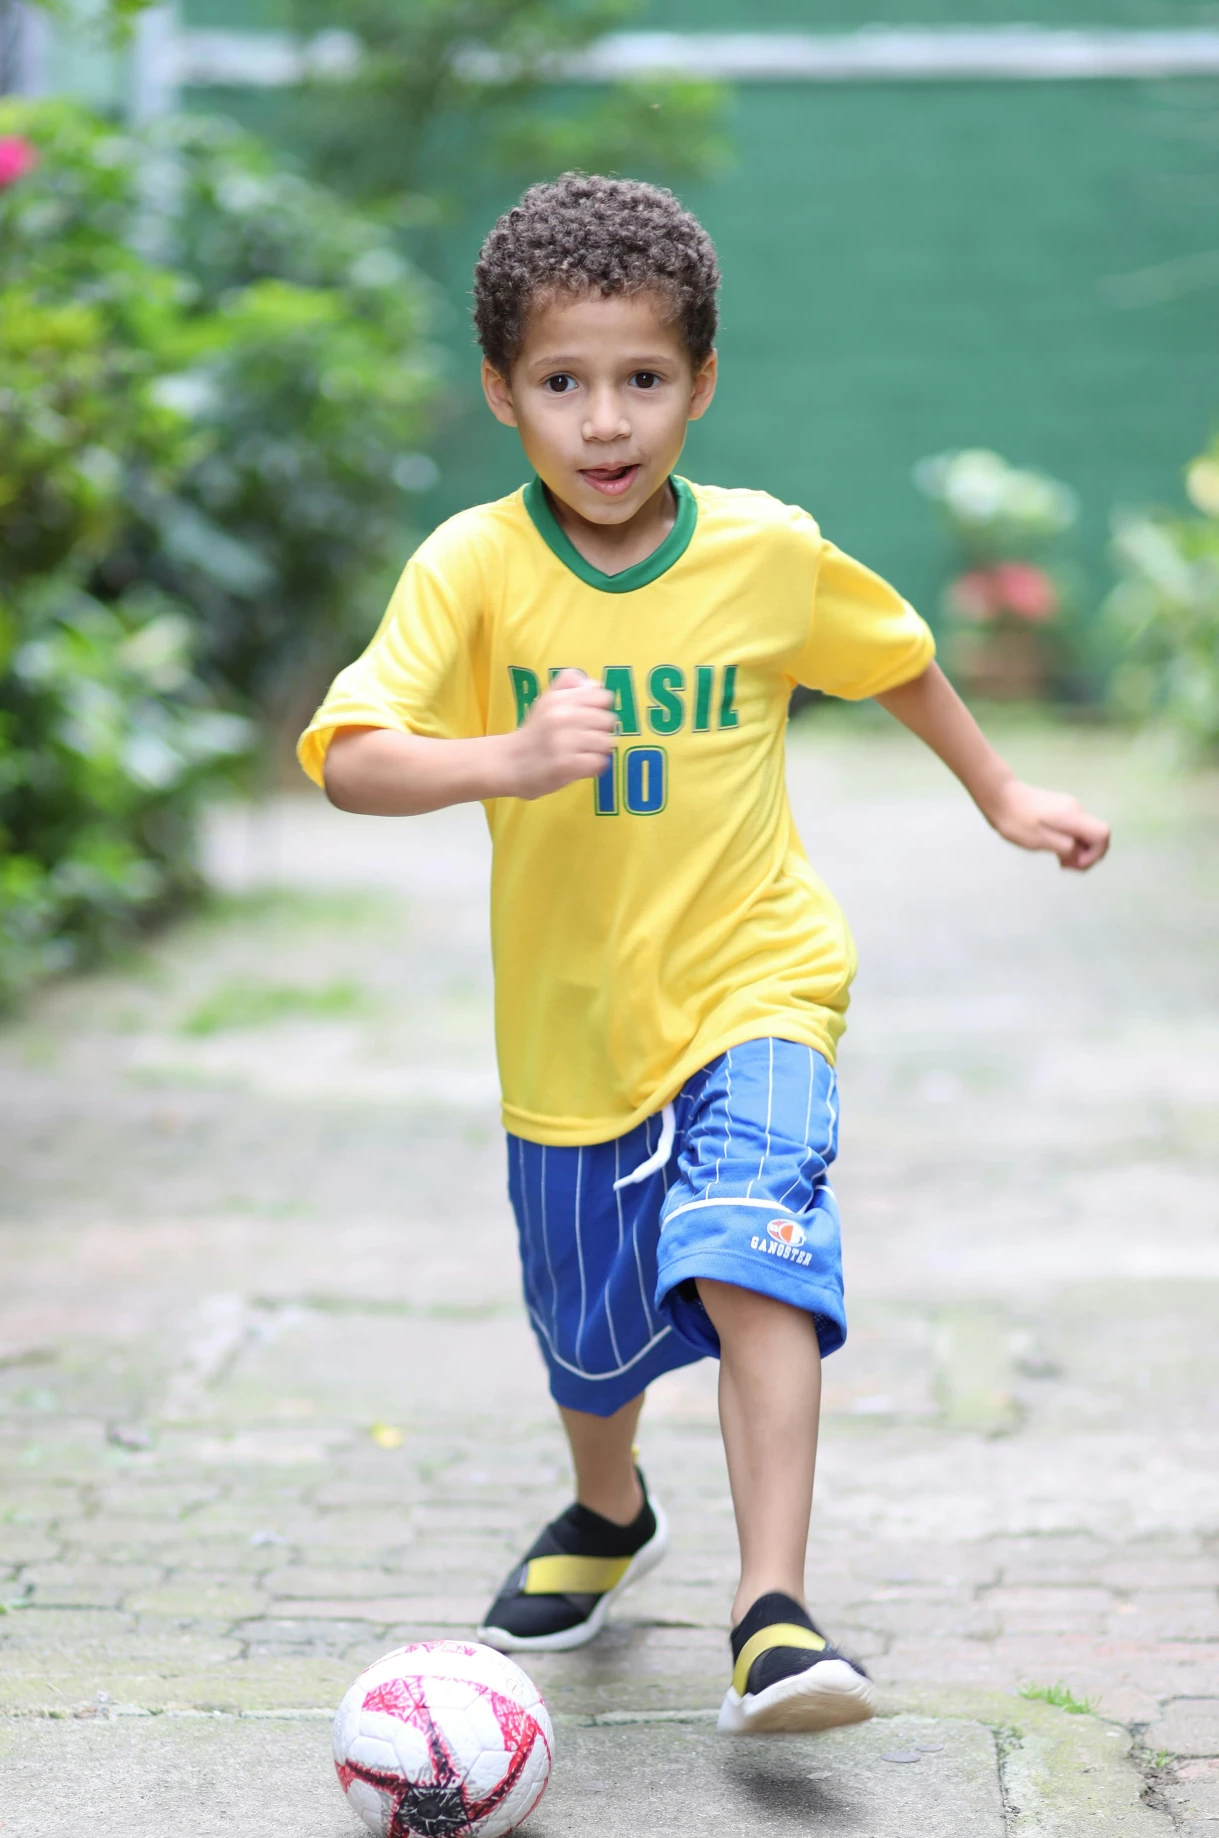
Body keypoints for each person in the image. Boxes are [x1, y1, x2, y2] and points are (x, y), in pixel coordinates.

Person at [297, 175, 1109, 1734]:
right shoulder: (472, 567)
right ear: (501, 392)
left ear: (702, 382)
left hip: (760, 978)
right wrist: (504, 758)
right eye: (561, 382)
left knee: (754, 1247)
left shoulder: (764, 554)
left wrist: (1004, 791)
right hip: (569, 1034)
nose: (605, 423)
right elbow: (343, 756)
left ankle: (773, 1614)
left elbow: (898, 659)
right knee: (592, 1350)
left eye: (643, 379)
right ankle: (607, 1510)